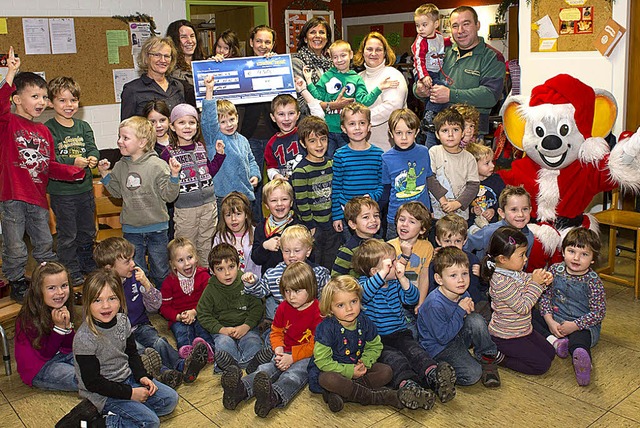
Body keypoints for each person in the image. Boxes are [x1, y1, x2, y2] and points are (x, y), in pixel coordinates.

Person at [0, 47, 84, 303]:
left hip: (37, 198)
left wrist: (74, 172)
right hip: (12, 196)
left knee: (45, 243)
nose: (41, 102)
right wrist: (11, 73)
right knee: (14, 246)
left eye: (44, 97)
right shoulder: (8, 123)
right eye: (34, 96)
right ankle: (16, 280)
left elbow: (49, 165)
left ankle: (50, 281)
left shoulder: (44, 132)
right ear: (16, 99)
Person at [353, 239, 456, 408]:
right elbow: (364, 295)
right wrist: (382, 276)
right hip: (378, 340)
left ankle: (434, 376)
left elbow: (412, 298)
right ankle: (409, 387)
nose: (397, 264)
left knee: (416, 352)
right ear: (374, 272)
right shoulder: (364, 283)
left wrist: (402, 279)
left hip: (400, 332)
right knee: (395, 360)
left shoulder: (394, 283)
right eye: (391, 263)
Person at [94, 237, 208, 385]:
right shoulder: (101, 288)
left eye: (132, 259)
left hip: (141, 325)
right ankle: (163, 374)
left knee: (159, 342)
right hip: (118, 334)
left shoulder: (135, 277)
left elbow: (154, 307)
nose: (133, 264)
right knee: (140, 352)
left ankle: (183, 366)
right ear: (110, 268)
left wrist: (147, 286)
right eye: (127, 261)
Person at [73, 268, 179, 426]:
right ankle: (103, 422)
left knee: (170, 400)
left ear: (121, 299)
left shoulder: (123, 321)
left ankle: (128, 412)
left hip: (127, 379)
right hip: (102, 394)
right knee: (150, 423)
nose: (106, 306)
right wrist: (130, 394)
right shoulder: (84, 338)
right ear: (87, 303)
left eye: (112, 298)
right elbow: (93, 383)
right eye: (97, 300)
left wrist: (141, 376)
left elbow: (132, 353)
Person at [221, 261, 323, 417]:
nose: (291, 296)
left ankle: (273, 397)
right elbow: (276, 331)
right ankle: (239, 390)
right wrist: (278, 348)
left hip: (306, 355)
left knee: (294, 375)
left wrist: (293, 357)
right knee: (265, 369)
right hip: (285, 350)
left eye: (296, 291)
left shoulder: (318, 310)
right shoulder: (283, 307)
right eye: (287, 291)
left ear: (310, 288)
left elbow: (317, 343)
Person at [97, 116, 180, 289]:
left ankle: (164, 298)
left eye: (125, 138)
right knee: (137, 269)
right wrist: (105, 175)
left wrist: (173, 176)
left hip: (157, 228)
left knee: (160, 268)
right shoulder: (120, 166)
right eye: (119, 137)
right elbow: (117, 192)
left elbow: (169, 196)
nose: (119, 141)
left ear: (142, 142)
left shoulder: (158, 165)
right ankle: (142, 299)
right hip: (132, 229)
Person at [307, 275, 405, 412]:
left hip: (357, 366)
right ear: (330, 309)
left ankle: (342, 394)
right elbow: (323, 361)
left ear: (360, 300)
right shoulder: (326, 328)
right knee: (327, 379)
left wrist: (365, 362)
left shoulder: (364, 321)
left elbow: (375, 346)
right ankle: (377, 397)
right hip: (332, 370)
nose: (349, 309)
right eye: (341, 305)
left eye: (354, 301)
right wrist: (348, 371)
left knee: (386, 371)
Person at [415, 6, 506, 142]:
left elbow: (490, 96)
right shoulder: (441, 51)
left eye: (466, 24)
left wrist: (450, 95)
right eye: (455, 26)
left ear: (477, 25)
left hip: (470, 135)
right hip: (437, 132)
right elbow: (422, 76)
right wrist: (419, 90)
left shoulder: (492, 57)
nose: (460, 30)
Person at [418, 247, 502, 387]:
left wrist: (467, 311)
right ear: (439, 279)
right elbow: (442, 337)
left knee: (476, 320)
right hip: (439, 347)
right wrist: (460, 310)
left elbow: (468, 318)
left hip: (455, 336)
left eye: (464, 273)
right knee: (473, 374)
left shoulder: (462, 292)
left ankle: (488, 359)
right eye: (453, 276)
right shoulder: (434, 304)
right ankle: (438, 370)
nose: (461, 280)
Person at [46, 76, 100, 286]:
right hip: (62, 192)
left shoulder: (83, 126)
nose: (69, 105)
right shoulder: (48, 129)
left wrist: (93, 158)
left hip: (85, 189)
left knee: (87, 230)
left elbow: (92, 147)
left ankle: (87, 261)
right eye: (62, 100)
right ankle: (70, 267)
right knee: (68, 233)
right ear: (51, 102)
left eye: (73, 100)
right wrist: (72, 161)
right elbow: (51, 159)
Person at [481, 226, 556, 375]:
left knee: (550, 353)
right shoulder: (500, 281)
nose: (526, 258)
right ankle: (500, 357)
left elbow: (525, 280)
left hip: (523, 330)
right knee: (542, 365)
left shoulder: (513, 271)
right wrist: (536, 284)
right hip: (507, 336)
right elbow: (523, 307)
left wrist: (541, 279)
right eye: (521, 255)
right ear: (502, 259)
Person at [538, 228, 606, 386]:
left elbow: (598, 312)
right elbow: (545, 297)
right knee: (531, 316)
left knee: (580, 339)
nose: (576, 258)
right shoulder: (555, 270)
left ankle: (581, 357)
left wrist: (575, 325)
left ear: (593, 259)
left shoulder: (593, 281)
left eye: (584, 254)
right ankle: (556, 342)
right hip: (555, 321)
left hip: (582, 325)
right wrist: (549, 321)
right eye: (571, 251)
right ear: (562, 251)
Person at [161, 103, 225, 265]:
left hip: (209, 206)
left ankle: (204, 278)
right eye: (181, 122)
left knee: (207, 244)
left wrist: (219, 156)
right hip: (185, 209)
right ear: (172, 127)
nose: (187, 126)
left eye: (192, 122)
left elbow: (209, 171)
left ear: (197, 125)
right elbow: (165, 182)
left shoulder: (200, 147)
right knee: (185, 247)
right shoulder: (168, 152)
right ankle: (187, 280)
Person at [303, 40, 398, 147]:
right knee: (330, 161)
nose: (339, 60)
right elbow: (318, 97)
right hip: (328, 130)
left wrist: (379, 88)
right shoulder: (326, 77)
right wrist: (309, 81)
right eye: (335, 57)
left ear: (351, 55)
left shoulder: (357, 79)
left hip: (348, 132)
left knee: (348, 159)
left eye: (343, 55)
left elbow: (364, 101)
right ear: (331, 58)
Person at [243, 225, 330, 341]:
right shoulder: (274, 274)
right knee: (271, 338)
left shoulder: (318, 274)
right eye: (287, 251)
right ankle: (269, 352)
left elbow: (328, 295)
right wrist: (252, 283)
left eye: (297, 251)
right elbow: (261, 291)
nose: (292, 255)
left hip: (309, 323)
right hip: (282, 324)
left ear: (308, 251)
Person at [197, 243, 272, 373]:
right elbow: (203, 314)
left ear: (238, 265)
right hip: (223, 330)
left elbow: (257, 307)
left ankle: (249, 364)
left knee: (253, 342)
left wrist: (246, 326)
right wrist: (221, 329)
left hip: (247, 328)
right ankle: (231, 368)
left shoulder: (246, 283)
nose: (227, 273)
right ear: (212, 271)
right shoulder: (210, 289)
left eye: (231, 267)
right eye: (220, 269)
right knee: (223, 344)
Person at [15, 262, 77, 391]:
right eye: (51, 288)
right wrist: (59, 328)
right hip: (40, 366)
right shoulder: (28, 317)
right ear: (38, 290)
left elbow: (69, 346)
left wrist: (66, 328)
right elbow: (46, 353)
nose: (60, 292)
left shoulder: (61, 307)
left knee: (95, 364)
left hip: (62, 354)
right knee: (82, 378)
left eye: (64, 286)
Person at [201, 75, 260, 210]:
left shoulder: (243, 140)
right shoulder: (214, 137)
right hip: (223, 198)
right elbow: (208, 119)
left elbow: (251, 160)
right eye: (222, 122)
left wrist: (255, 175)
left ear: (237, 118)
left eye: (231, 119)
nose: (229, 124)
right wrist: (209, 90)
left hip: (245, 196)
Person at [239, 25, 280, 220]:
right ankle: (256, 223)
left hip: (276, 135)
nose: (263, 46)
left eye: (267, 42)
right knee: (253, 182)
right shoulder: (240, 66)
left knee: (277, 181)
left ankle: (279, 220)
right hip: (250, 136)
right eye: (259, 41)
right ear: (251, 43)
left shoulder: (279, 66)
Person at [291, 116, 342, 269]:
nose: (319, 145)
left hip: (332, 223)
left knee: (331, 261)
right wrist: (310, 225)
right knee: (315, 262)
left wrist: (337, 217)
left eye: (323, 139)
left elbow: (337, 191)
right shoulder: (301, 170)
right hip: (313, 227)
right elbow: (301, 202)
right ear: (303, 143)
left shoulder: (332, 164)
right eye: (312, 141)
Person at [381, 108, 434, 240]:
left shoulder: (424, 152)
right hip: (396, 217)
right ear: (391, 133)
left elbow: (426, 182)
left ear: (416, 132)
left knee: (421, 253)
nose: (404, 138)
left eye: (409, 132)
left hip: (421, 217)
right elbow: (386, 190)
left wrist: (430, 210)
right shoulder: (386, 158)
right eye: (399, 133)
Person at [331, 103, 384, 235]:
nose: (357, 128)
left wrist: (372, 196)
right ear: (343, 128)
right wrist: (337, 215)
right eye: (352, 124)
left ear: (369, 126)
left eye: (362, 123)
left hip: (371, 215)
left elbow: (382, 185)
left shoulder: (379, 154)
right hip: (347, 214)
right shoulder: (339, 155)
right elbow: (336, 188)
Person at [160, 237, 215, 362]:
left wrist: (194, 312)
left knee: (203, 327)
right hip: (180, 317)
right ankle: (188, 353)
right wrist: (179, 316)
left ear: (196, 258)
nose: (187, 263)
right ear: (173, 264)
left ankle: (208, 348)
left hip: (200, 312)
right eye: (180, 260)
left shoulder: (204, 276)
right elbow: (164, 308)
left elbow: (208, 301)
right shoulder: (169, 282)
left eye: (189, 257)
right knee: (182, 332)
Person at [354, 32, 409, 151]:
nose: (373, 53)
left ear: (385, 53)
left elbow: (392, 107)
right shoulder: (358, 77)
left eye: (378, 50)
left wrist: (359, 121)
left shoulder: (393, 75)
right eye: (369, 49)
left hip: (388, 148)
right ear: (363, 52)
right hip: (361, 147)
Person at [428, 106, 479, 222]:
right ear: (437, 134)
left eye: (455, 130)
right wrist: (443, 201)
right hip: (437, 214)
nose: (450, 135)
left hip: (460, 216)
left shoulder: (469, 158)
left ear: (462, 133)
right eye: (445, 130)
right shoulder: (434, 152)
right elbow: (430, 178)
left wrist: (457, 203)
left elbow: (473, 186)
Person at [428, 214, 487, 313]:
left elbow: (480, 288)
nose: (452, 245)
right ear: (438, 241)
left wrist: (482, 277)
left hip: (472, 305)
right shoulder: (435, 263)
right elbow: (432, 290)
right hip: (448, 309)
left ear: (464, 241)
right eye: (447, 241)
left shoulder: (472, 259)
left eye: (457, 241)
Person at [120, 36, 185, 120]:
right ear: (146, 57)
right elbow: (126, 128)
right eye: (157, 55)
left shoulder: (177, 86)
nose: (163, 60)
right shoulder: (132, 90)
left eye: (167, 56)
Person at [464, 185, 534, 262]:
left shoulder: (529, 236)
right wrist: (474, 266)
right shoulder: (489, 231)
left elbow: (523, 263)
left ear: (530, 210)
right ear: (502, 212)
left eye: (525, 209)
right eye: (514, 209)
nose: (520, 214)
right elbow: (465, 248)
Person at [387, 201, 434, 314]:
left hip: (415, 297)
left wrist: (421, 302)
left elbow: (424, 277)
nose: (404, 224)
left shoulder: (427, 247)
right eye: (402, 220)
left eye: (412, 221)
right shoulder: (389, 246)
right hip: (395, 300)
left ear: (422, 229)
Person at [412, 4, 446, 147]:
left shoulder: (439, 37)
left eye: (424, 25)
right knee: (439, 88)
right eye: (417, 25)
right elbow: (418, 60)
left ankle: (426, 126)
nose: (420, 29)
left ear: (436, 24)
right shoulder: (421, 41)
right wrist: (423, 76)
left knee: (434, 97)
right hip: (423, 72)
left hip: (435, 71)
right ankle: (428, 117)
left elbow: (446, 43)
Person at [251, 178, 301, 274]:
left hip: (295, 277)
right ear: (266, 205)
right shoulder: (261, 227)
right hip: (271, 281)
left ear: (291, 202)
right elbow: (256, 259)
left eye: (284, 199)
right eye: (274, 200)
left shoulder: (298, 227)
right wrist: (264, 246)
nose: (279, 204)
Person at [144, 100, 176, 240]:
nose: (158, 126)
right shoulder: (144, 149)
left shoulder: (180, 141)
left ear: (169, 120)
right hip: (159, 203)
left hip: (180, 200)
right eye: (152, 121)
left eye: (162, 120)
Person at [291, 17, 334, 117]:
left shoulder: (332, 63)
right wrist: (329, 106)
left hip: (333, 121)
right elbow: (299, 100)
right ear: (305, 39)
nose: (318, 36)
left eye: (322, 32)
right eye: (313, 32)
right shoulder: (297, 62)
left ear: (327, 38)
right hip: (310, 122)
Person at [213, 191, 262, 277]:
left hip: (254, 282)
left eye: (238, 214)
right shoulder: (220, 237)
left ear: (246, 214)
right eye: (228, 215)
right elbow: (215, 262)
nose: (233, 219)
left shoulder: (256, 233)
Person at [332, 196, 381, 277]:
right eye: (366, 217)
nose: (373, 220)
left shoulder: (381, 242)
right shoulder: (348, 250)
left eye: (376, 215)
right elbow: (336, 277)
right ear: (353, 224)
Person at [465, 141, 505, 231]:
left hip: (493, 225)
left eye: (492, 161)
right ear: (473, 165)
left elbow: (504, 199)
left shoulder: (496, 180)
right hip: (471, 226)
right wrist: (472, 210)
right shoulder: (467, 183)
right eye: (487, 163)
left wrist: (493, 210)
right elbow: (462, 203)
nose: (493, 165)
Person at [264, 94, 304, 180]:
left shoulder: (304, 134)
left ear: (298, 115)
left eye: (291, 113)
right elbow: (271, 167)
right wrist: (276, 176)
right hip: (286, 187)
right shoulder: (271, 144)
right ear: (273, 117)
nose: (286, 118)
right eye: (281, 114)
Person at [166, 20, 205, 107]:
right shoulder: (171, 71)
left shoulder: (204, 64)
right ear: (174, 40)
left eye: (192, 36)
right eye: (183, 37)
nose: (190, 41)